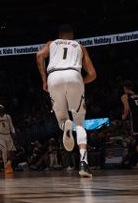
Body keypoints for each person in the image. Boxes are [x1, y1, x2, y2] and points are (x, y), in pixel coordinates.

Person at [36, 23, 97, 178]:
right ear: (72, 35)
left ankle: (65, 125)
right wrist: (79, 82)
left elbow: (39, 55)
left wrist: (44, 80)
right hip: (74, 74)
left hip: (54, 77)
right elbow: (92, 74)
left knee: (62, 119)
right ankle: (84, 163)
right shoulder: (79, 46)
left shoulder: (51, 43)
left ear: (59, 35)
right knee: (80, 123)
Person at [0, 104, 16, 174]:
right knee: (4, 150)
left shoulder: (8, 116)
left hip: (8, 134)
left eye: (0, 107)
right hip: (0, 135)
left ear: (3, 108)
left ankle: (9, 163)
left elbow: (11, 125)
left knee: (12, 150)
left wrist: (13, 132)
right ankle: (5, 166)